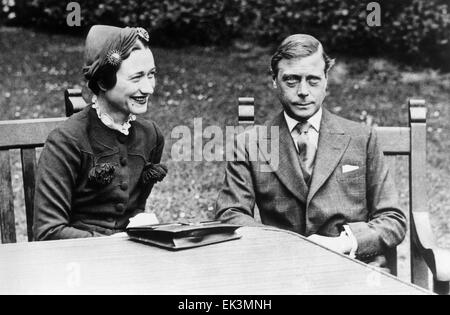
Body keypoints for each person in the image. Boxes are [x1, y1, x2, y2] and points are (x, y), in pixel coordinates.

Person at [215, 34, 406, 263]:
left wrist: (343, 244)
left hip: (352, 267)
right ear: (274, 80)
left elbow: (392, 218)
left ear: (326, 80)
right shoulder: (250, 144)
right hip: (281, 266)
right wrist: (284, 247)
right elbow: (231, 215)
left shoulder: (361, 138)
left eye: (313, 80)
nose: (303, 91)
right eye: (292, 80)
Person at [34, 25, 167, 240]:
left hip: (130, 260)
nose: (149, 88)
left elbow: (136, 211)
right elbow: (48, 231)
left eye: (151, 75)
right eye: (136, 78)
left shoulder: (151, 135)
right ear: (103, 81)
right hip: (77, 262)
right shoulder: (67, 141)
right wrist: (109, 244)